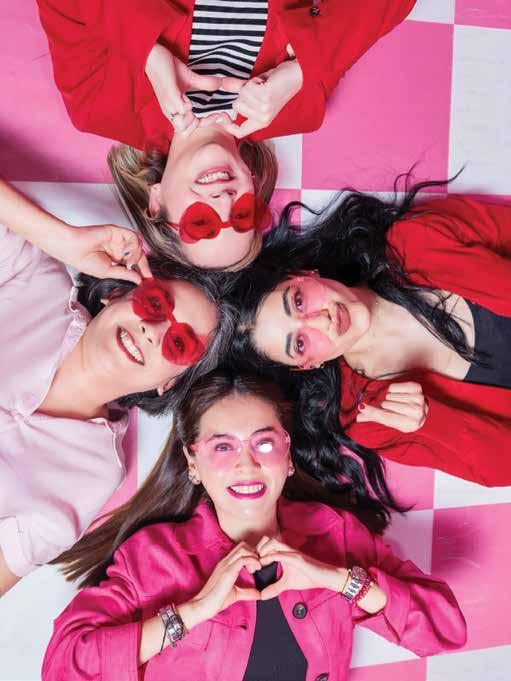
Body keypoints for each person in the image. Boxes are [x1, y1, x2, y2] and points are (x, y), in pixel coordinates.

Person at [42, 371, 466, 680]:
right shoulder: (152, 557)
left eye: (264, 443)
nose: (246, 464)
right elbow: (64, 667)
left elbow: (444, 630)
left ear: (288, 454)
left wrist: (338, 580)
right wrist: (193, 612)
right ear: (192, 462)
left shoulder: (333, 533)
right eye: (222, 447)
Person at [36, 0, 416, 269]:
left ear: (156, 201)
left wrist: (149, 54)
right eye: (243, 215)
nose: (223, 201)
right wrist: (304, 67)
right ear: (254, 187)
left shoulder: (99, 105)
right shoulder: (297, 107)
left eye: (200, 223)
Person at [0, 179, 234, 596]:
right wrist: (64, 239)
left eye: (178, 343)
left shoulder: (93, 474)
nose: (152, 331)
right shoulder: (36, 279)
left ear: (169, 383)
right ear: (116, 296)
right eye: (156, 304)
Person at [230, 178, 511, 487]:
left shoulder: (417, 239)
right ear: (307, 365)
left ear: (305, 275)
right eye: (299, 343)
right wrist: (434, 422)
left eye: (298, 301)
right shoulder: (369, 417)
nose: (320, 321)